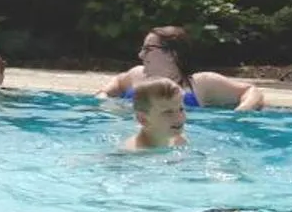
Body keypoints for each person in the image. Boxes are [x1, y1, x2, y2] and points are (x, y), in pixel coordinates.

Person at [101, 25, 268, 110]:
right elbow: (116, 83)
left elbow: (252, 91)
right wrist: (103, 97)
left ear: (172, 54)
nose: (141, 55)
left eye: (148, 50)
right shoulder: (137, 75)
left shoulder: (200, 84)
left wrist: (242, 112)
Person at [122, 77, 188, 151]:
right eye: (168, 112)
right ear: (143, 119)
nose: (179, 117)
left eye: (181, 109)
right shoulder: (134, 152)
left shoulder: (178, 140)